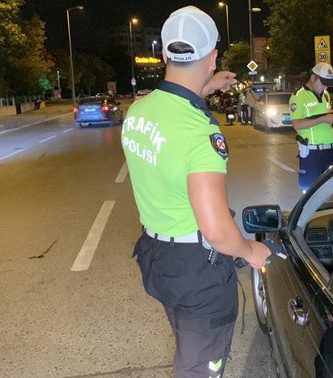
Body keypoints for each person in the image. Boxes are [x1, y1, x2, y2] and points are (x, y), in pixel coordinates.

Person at [120, 6, 271, 378]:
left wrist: (207, 83)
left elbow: (176, 97)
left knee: (187, 343)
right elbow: (218, 232)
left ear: (165, 53)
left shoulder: (137, 112)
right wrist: (252, 250)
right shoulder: (199, 134)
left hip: (158, 257)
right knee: (198, 368)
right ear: (213, 56)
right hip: (195, 272)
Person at [289, 62, 333, 193]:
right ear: (313, 78)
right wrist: (323, 119)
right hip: (311, 152)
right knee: (309, 191)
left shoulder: (326, 95)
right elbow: (296, 124)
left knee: (329, 189)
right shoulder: (298, 96)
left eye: (327, 83)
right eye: (322, 82)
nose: (324, 87)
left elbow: (325, 116)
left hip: (329, 150)